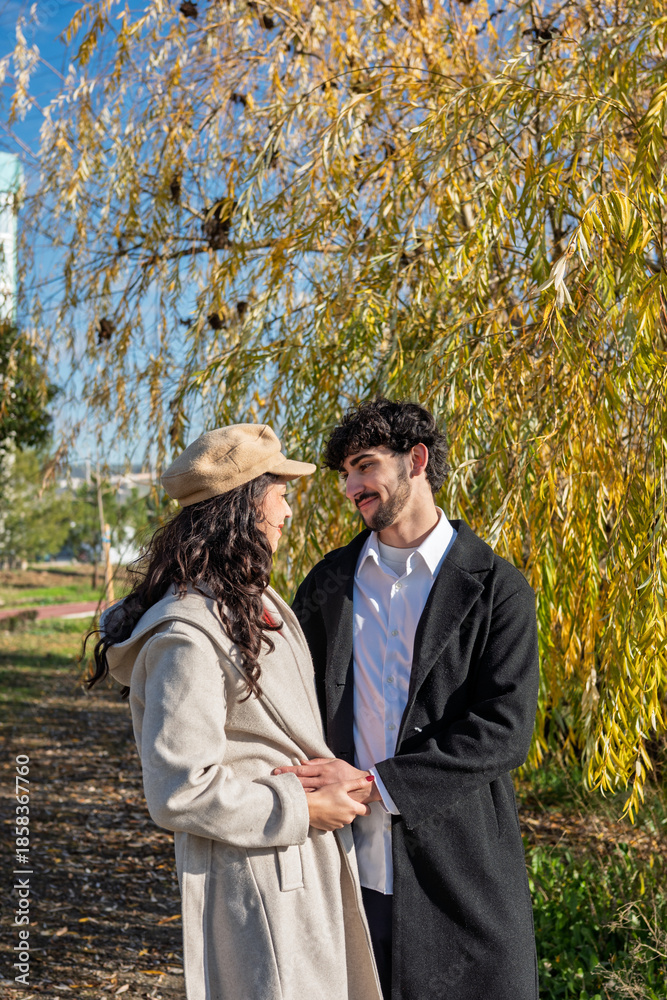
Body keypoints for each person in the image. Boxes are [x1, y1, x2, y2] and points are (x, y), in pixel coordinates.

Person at [88, 423, 383, 1000]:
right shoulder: (186, 635)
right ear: (244, 506)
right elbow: (178, 788)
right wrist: (301, 804)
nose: (288, 511)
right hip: (258, 879)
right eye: (280, 495)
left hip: (298, 867)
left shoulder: (254, 601)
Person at [276, 399, 540, 1000]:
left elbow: (504, 730)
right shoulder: (328, 584)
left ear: (416, 460)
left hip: (461, 878)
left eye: (365, 466)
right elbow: (284, 692)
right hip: (344, 871)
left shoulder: (498, 589)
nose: (351, 487)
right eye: (346, 473)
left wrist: (376, 785)